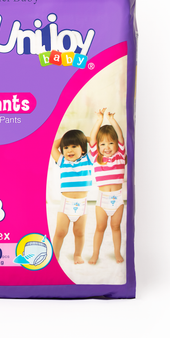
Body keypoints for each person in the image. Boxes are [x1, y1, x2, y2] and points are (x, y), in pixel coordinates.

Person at [88, 109, 126, 264]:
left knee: (116, 227)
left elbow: (120, 136)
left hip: (117, 198)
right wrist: (99, 120)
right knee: (100, 227)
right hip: (102, 199)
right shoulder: (96, 157)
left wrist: (111, 120)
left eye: (111, 143)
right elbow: (92, 139)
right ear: (98, 146)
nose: (107, 147)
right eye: (103, 144)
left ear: (117, 144)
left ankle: (117, 253)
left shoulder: (120, 155)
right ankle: (95, 254)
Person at [51, 129, 93, 264]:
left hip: (82, 205)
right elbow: (52, 146)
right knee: (60, 232)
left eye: (74, 146)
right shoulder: (62, 161)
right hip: (66, 204)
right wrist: (65, 139)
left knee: (80, 233)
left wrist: (83, 138)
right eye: (66, 147)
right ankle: (55, 256)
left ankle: (77, 255)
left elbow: (96, 143)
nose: (69, 150)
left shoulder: (88, 159)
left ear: (83, 148)